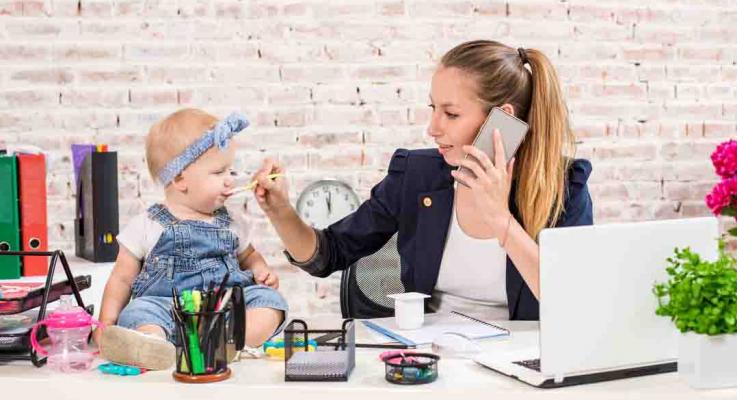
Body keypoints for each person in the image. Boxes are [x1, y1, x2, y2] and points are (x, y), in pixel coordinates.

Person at [252, 40, 592, 321]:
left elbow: (573, 302)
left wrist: (501, 220)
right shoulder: (416, 174)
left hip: (523, 361)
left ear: (501, 119)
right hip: (432, 358)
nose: (433, 127)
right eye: (433, 108)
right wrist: (280, 210)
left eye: (451, 113)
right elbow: (329, 254)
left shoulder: (565, 187)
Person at [96, 108, 287, 370]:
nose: (230, 181)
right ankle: (152, 343)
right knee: (138, 312)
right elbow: (122, 278)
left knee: (269, 301)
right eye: (219, 173)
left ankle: (228, 341)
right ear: (179, 179)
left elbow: (249, 255)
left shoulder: (230, 222)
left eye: (230, 172)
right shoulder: (147, 224)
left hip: (223, 312)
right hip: (167, 310)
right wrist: (105, 322)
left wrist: (259, 268)